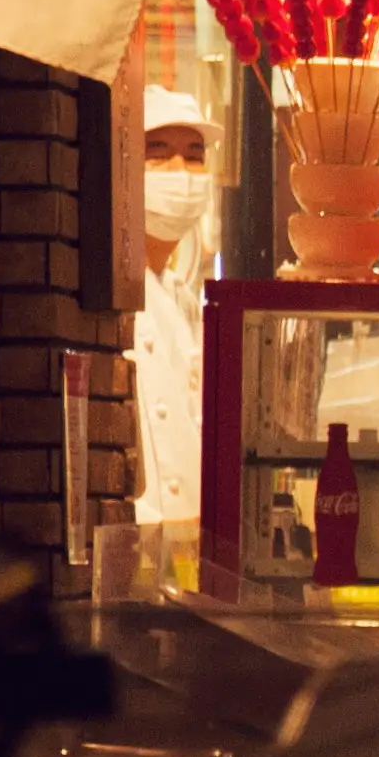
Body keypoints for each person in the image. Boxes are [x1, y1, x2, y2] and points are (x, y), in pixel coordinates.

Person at [132, 88, 215, 531]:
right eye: (157, 153)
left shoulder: (182, 296)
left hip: (190, 547)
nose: (181, 172)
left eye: (194, 155)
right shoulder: (117, 298)